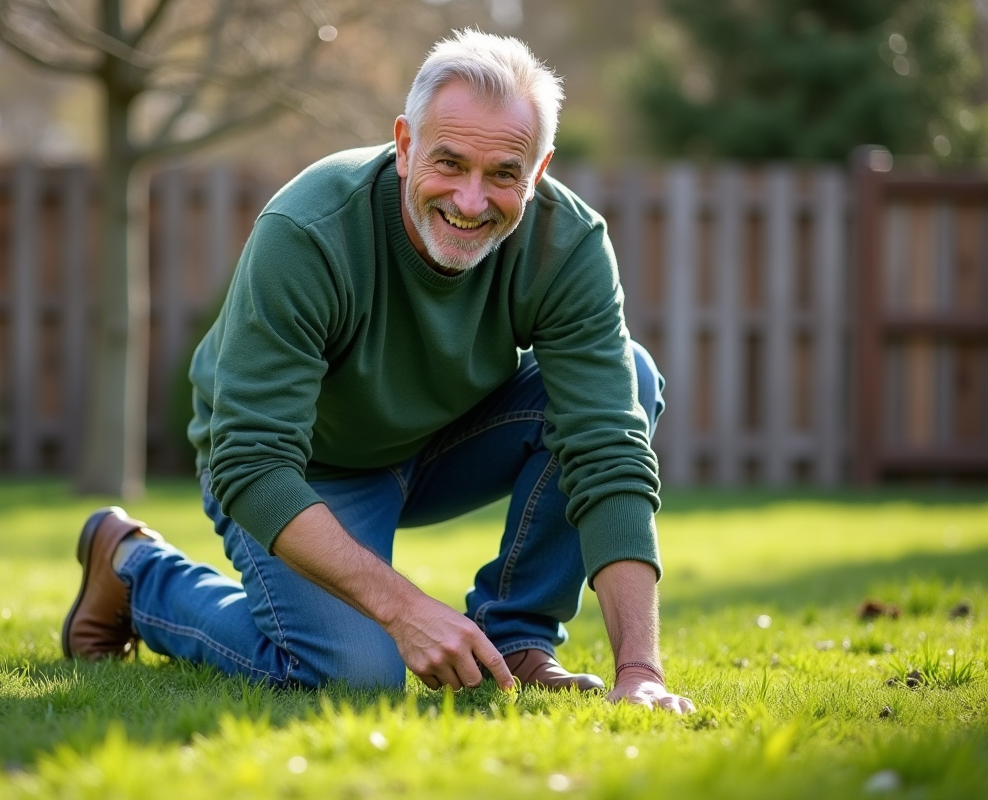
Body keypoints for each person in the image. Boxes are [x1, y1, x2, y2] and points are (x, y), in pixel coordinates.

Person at [63, 29, 694, 713]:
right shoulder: (309, 231)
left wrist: (641, 670)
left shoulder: (567, 246)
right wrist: (403, 610)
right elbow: (251, 460)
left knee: (628, 374)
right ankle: (135, 574)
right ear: (404, 144)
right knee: (354, 677)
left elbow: (608, 449)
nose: (472, 201)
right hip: (299, 466)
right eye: (448, 163)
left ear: (537, 173)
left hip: (439, 444)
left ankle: (515, 640)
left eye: (504, 174)